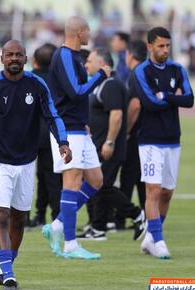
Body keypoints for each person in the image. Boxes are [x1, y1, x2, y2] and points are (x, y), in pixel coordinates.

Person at [0, 39, 71, 290]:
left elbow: (52, 115)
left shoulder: (36, 85)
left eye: (19, 55)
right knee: (0, 215)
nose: (14, 58)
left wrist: (63, 142)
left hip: (26, 162)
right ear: (1, 58)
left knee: (19, 218)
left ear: (26, 59)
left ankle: (4, 268)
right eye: (10, 54)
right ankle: (10, 275)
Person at [42, 16, 111, 260]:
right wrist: (100, 76)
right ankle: (70, 244)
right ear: (79, 32)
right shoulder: (64, 56)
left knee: (96, 180)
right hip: (67, 130)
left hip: (79, 128)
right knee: (71, 183)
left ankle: (58, 225)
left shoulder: (75, 57)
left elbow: (77, 95)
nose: (90, 34)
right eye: (88, 30)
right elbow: (75, 92)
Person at [134, 27, 194, 259]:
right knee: (153, 190)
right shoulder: (141, 71)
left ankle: (150, 236)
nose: (165, 50)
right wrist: (172, 98)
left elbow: (189, 100)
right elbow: (149, 103)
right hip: (149, 140)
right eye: (160, 46)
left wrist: (166, 96)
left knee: (167, 192)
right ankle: (158, 240)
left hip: (172, 139)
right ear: (149, 46)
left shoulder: (178, 69)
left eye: (168, 46)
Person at [78, 48, 146, 241]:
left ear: (102, 64)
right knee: (96, 185)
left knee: (103, 185)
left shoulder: (111, 85)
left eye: (90, 61)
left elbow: (116, 114)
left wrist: (109, 142)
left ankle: (136, 214)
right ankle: (98, 228)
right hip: (98, 146)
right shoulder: (99, 85)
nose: (86, 64)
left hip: (110, 147)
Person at [27, 43, 62, 228]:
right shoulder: (58, 80)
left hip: (29, 135)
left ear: (34, 61)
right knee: (52, 178)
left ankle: (31, 216)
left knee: (26, 177)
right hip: (51, 135)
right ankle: (57, 217)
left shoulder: (29, 80)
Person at [118, 40, 148, 220]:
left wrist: (127, 130)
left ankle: (122, 216)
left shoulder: (135, 74)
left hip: (137, 132)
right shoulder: (147, 71)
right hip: (147, 131)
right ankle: (147, 214)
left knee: (128, 175)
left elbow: (135, 105)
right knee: (141, 177)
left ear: (130, 55)